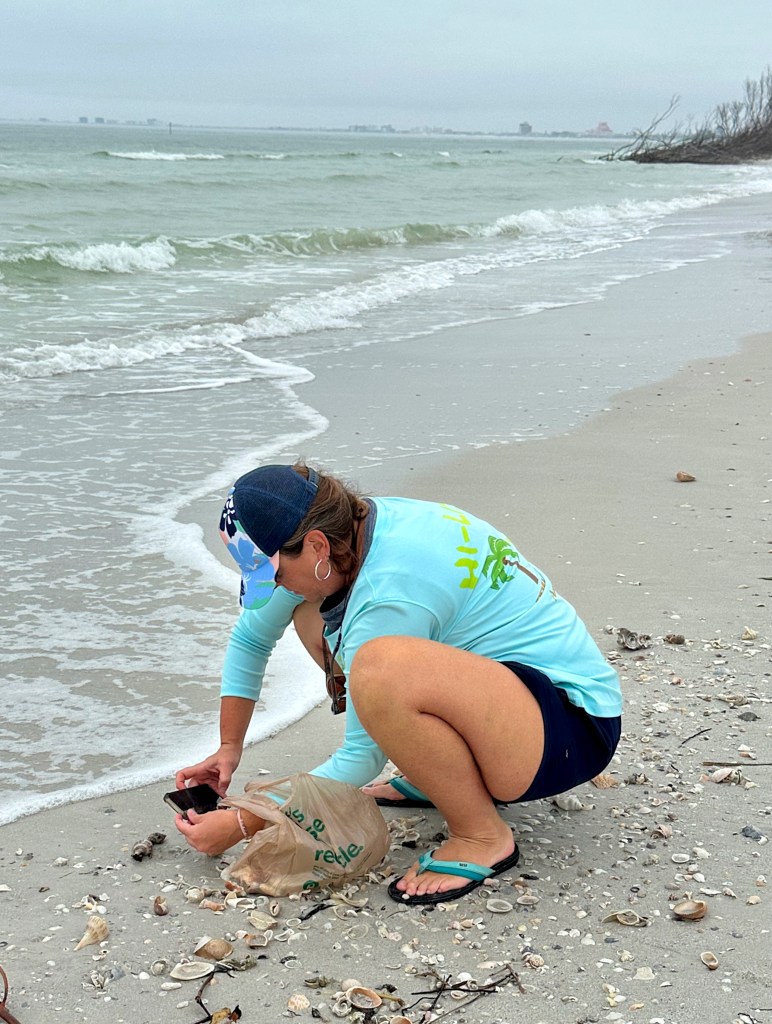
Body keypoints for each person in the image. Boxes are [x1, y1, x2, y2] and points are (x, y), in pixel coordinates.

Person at [175, 463, 622, 905]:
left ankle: (481, 836)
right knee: (314, 612)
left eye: (272, 572)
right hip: (511, 704)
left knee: (379, 669)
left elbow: (360, 758)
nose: (273, 584)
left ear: (315, 546)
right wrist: (229, 748)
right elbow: (252, 638)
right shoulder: (350, 527)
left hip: (568, 732)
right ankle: (443, 775)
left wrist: (244, 821)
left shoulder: (385, 592)